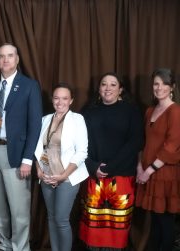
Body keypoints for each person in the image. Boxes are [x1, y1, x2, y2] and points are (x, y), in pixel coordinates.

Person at [0, 43, 42, 251]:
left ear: (17, 59)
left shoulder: (29, 86)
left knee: (18, 209)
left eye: (10, 56)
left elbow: (35, 125)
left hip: (16, 155)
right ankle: (4, 245)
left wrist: (28, 159)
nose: (5, 60)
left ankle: (20, 247)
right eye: (1, 56)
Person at [79, 72, 144, 250]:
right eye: (104, 84)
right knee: (94, 227)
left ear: (120, 89)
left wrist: (110, 167)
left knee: (117, 227)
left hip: (121, 176)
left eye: (113, 84)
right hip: (94, 176)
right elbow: (80, 143)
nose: (108, 88)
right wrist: (93, 166)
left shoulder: (131, 111)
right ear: (99, 89)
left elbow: (135, 142)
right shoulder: (88, 112)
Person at [34, 83, 89, 251]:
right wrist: (38, 170)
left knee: (61, 219)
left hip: (67, 177)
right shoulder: (45, 120)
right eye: (56, 98)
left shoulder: (77, 120)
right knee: (51, 217)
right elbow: (37, 149)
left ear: (71, 100)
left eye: (65, 98)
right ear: (52, 99)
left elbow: (82, 152)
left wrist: (64, 175)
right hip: (46, 176)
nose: (60, 102)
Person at [135, 68, 180, 251]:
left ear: (172, 87)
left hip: (164, 174)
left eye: (164, 84)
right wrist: (139, 167)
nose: (159, 87)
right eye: (156, 83)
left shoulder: (175, 111)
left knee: (165, 222)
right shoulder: (149, 111)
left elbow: (172, 146)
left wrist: (148, 170)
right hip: (147, 172)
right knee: (154, 221)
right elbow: (143, 143)